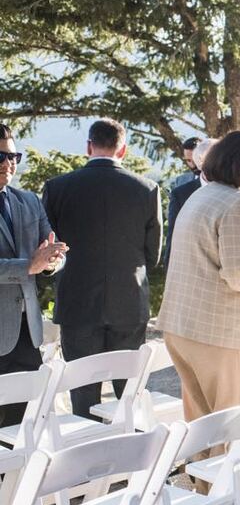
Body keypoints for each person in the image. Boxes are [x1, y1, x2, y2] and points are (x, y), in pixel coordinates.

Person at [158, 131, 240, 426]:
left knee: (201, 423)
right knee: (233, 424)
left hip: (181, 325)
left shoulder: (200, 194)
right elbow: (239, 273)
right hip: (218, 331)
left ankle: (201, 474)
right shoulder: (239, 202)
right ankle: (224, 474)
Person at [42, 118, 162, 419]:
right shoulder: (147, 189)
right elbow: (153, 254)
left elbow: (48, 249)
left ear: (88, 146)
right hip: (129, 303)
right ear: (122, 151)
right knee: (130, 394)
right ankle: (134, 457)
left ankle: (86, 458)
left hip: (78, 305)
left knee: (82, 394)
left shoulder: (57, 188)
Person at [0, 124, 68, 427]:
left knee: (23, 423)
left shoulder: (27, 200)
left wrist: (53, 261)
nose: (8, 163)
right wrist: (29, 265)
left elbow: (49, 253)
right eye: (1, 156)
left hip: (27, 333)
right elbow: (29, 263)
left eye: (14, 155)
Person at [164, 138, 217, 268]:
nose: (193, 165)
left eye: (194, 160)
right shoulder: (181, 190)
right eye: (188, 161)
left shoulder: (235, 192)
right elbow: (174, 230)